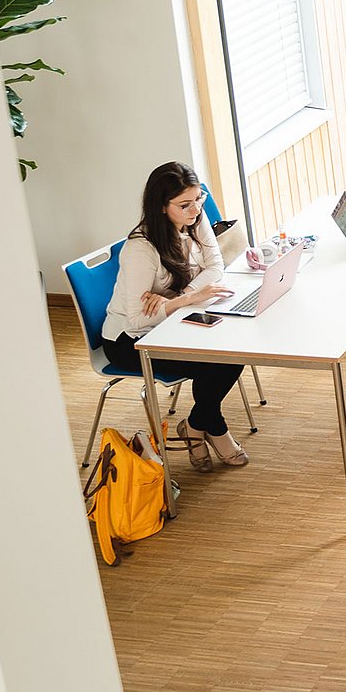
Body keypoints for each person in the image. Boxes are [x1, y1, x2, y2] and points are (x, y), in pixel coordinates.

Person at [101, 161, 249, 470]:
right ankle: (214, 429)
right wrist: (190, 299)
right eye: (185, 204)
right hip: (131, 341)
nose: (196, 209)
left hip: (174, 319)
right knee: (213, 364)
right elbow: (136, 321)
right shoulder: (141, 250)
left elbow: (215, 266)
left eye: (199, 199)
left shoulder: (194, 219)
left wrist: (183, 298)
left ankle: (195, 426)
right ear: (161, 207)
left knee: (236, 350)